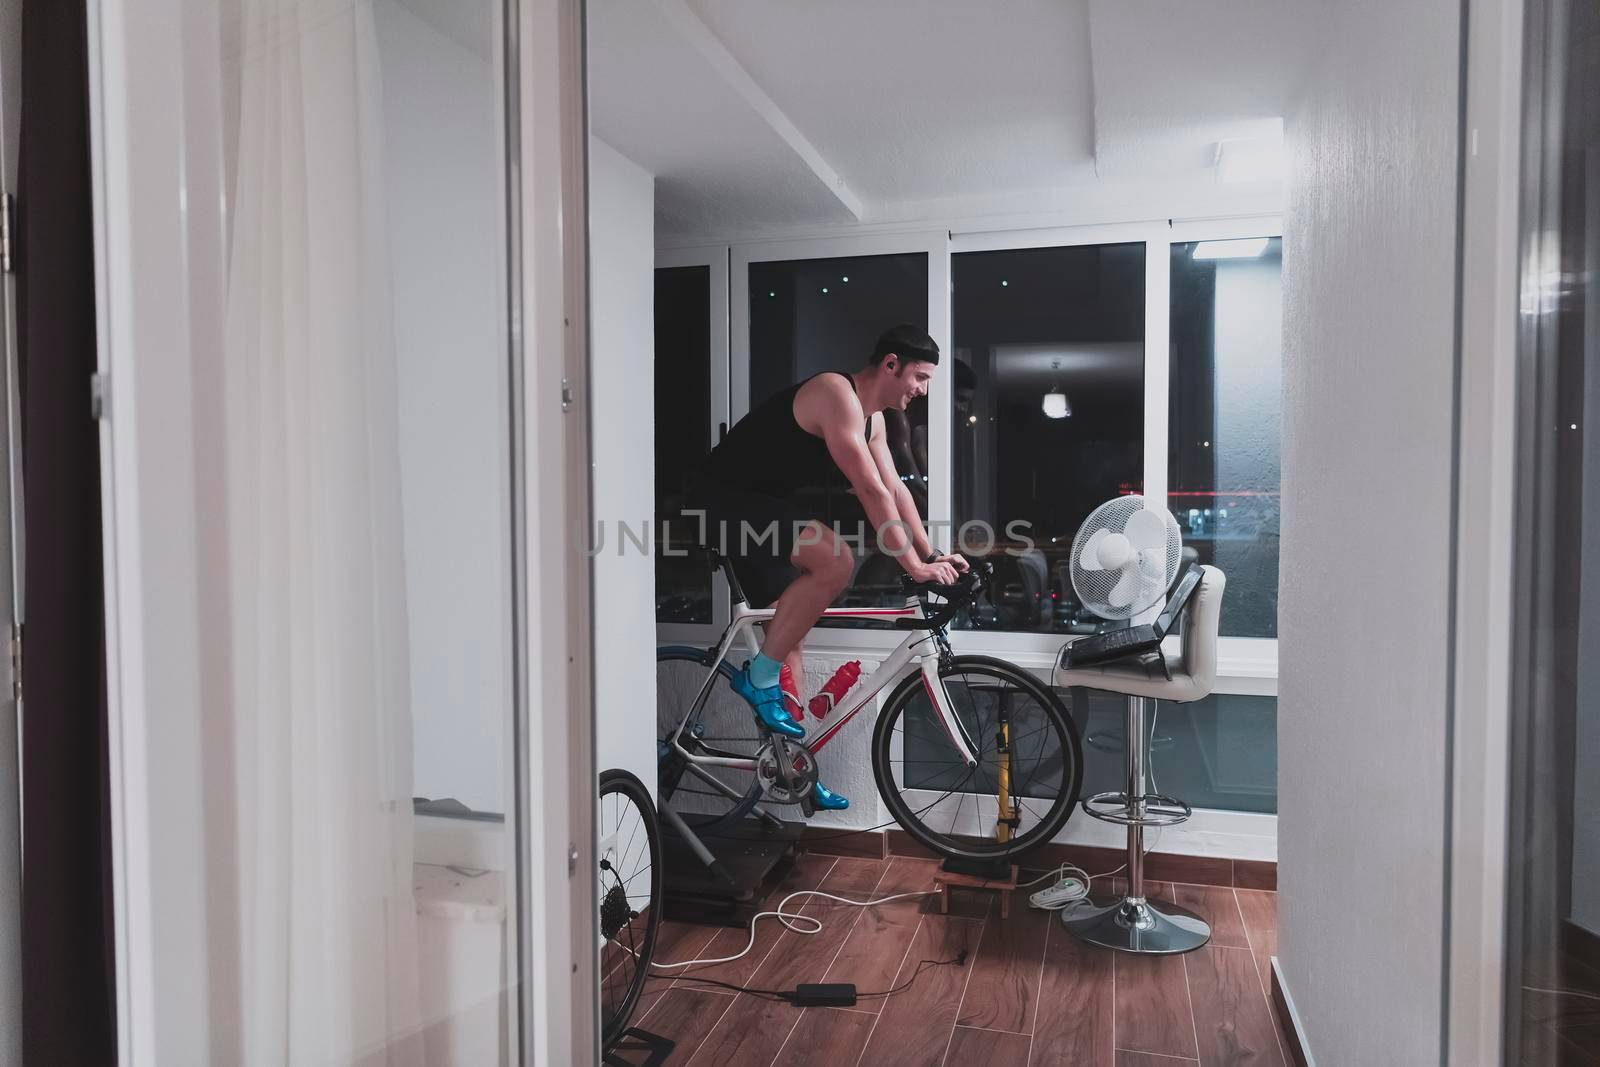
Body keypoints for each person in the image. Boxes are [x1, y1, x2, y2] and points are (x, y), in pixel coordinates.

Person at [689, 324, 969, 810]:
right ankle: (756, 678)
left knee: (789, 635)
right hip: (722, 501)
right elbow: (870, 491)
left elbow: (898, 491)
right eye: (920, 378)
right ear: (890, 365)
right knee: (837, 558)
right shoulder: (834, 393)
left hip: (760, 507)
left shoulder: (874, 420)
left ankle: (790, 764)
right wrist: (914, 568)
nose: (922, 390)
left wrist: (930, 555)